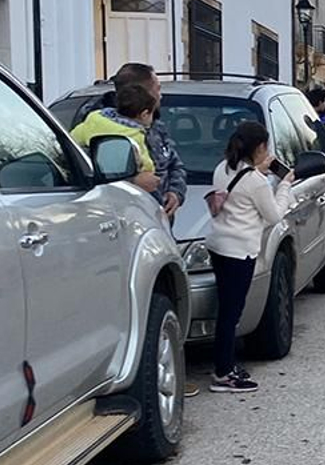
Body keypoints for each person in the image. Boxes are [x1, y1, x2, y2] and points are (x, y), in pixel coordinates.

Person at [206, 122, 297, 393]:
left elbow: (241, 186)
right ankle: (224, 372)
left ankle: (225, 365)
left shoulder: (223, 168)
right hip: (240, 250)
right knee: (231, 313)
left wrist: (261, 171)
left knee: (225, 308)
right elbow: (274, 215)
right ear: (259, 147)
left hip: (218, 245)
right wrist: (285, 185)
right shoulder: (256, 182)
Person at [105, 63, 187, 219]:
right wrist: (132, 182)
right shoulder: (101, 127)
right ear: (141, 92)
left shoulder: (155, 126)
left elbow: (174, 164)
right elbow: (88, 176)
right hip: (122, 223)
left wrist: (175, 193)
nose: (160, 95)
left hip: (159, 221)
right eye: (157, 89)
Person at [72, 81, 158, 191]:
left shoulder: (93, 120)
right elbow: (146, 166)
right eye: (152, 114)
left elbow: (72, 140)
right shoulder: (134, 135)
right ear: (144, 114)